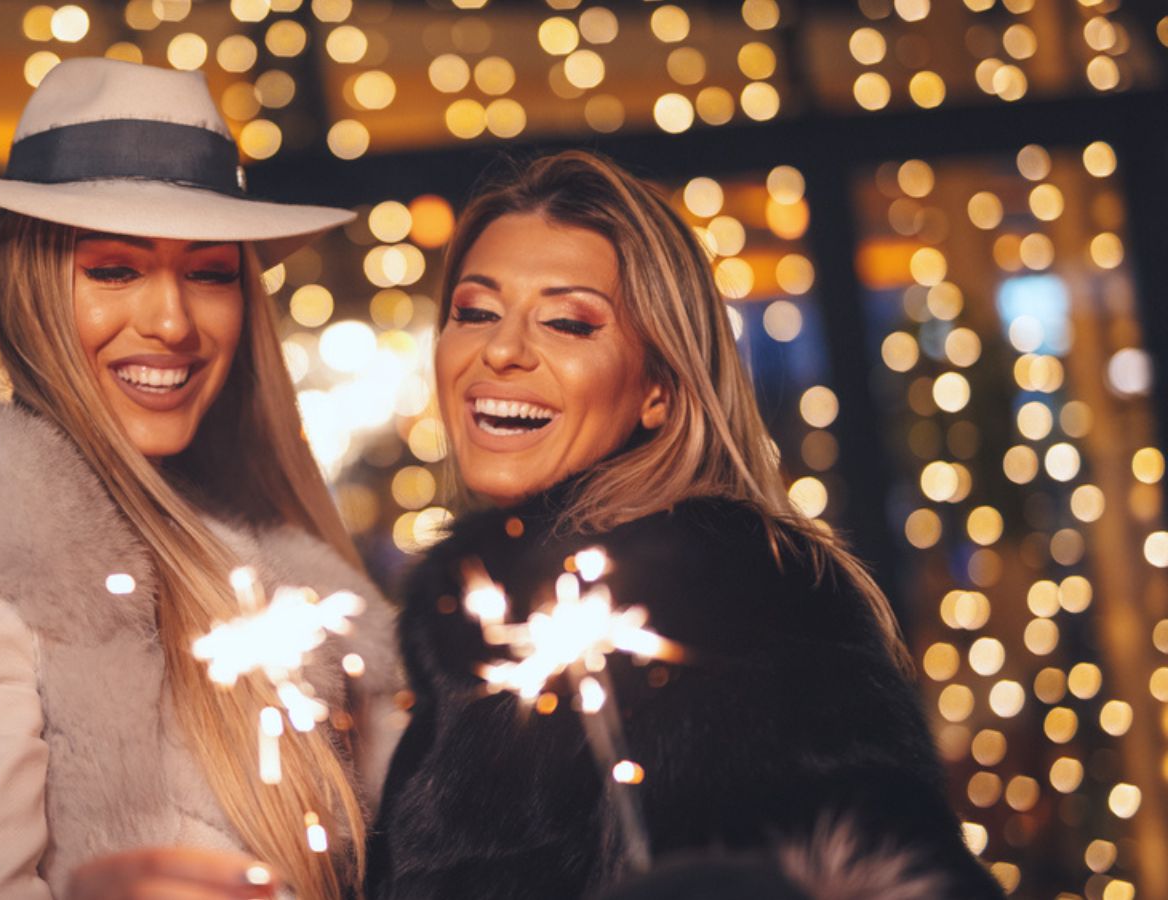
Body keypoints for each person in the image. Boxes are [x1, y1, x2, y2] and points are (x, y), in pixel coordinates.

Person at [0, 59, 400, 900]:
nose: (172, 322)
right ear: (28, 293)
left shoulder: (255, 558)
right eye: (114, 270)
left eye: (209, 273)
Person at [363, 151, 1004, 899]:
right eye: (475, 312)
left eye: (568, 323)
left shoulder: (733, 600)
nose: (500, 350)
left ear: (660, 389)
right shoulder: (480, 625)